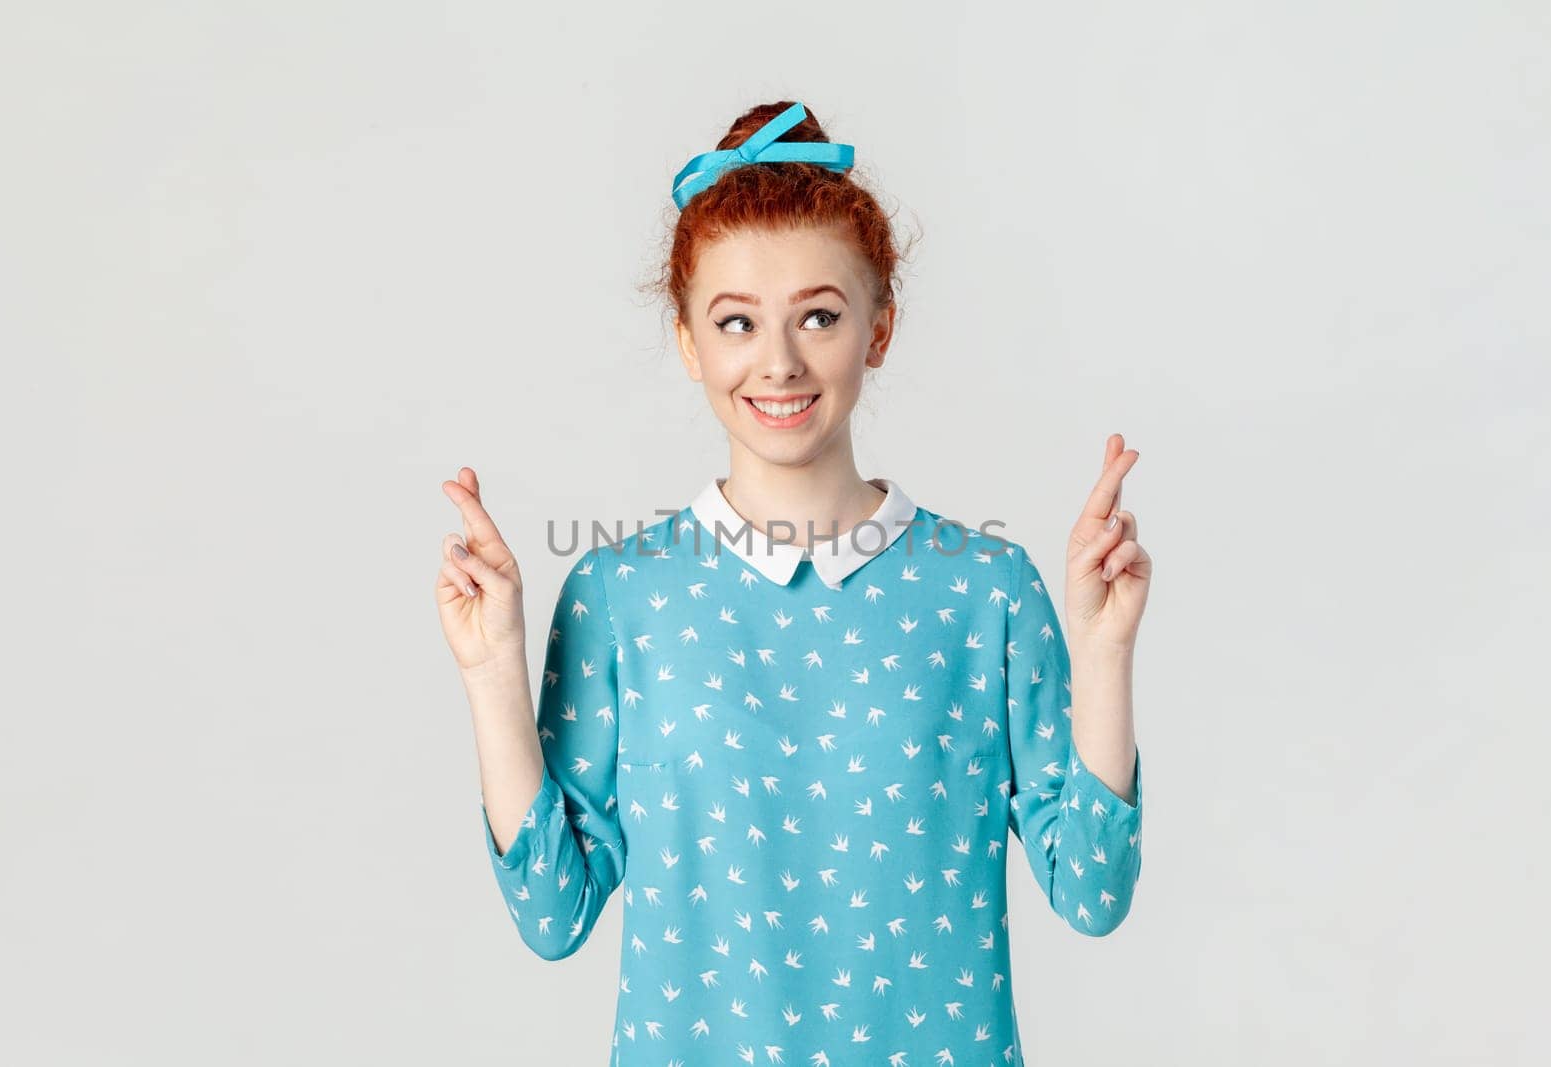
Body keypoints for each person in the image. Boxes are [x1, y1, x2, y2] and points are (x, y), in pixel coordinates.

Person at [435, 99, 1151, 1067]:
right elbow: (551, 911)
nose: (777, 361)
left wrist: (1105, 651)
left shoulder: (985, 592)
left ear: (879, 329)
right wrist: (491, 671)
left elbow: (1093, 892)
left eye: (819, 314)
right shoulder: (619, 597)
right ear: (689, 342)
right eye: (736, 322)